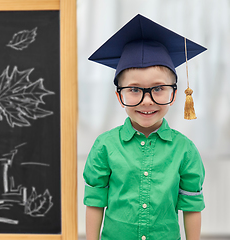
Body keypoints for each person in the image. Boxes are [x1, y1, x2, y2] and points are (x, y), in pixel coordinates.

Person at [83, 14, 206, 240]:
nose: (147, 101)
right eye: (134, 90)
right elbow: (95, 200)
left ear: (175, 93)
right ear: (119, 96)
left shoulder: (185, 150)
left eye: (158, 89)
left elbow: (192, 205)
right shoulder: (104, 146)